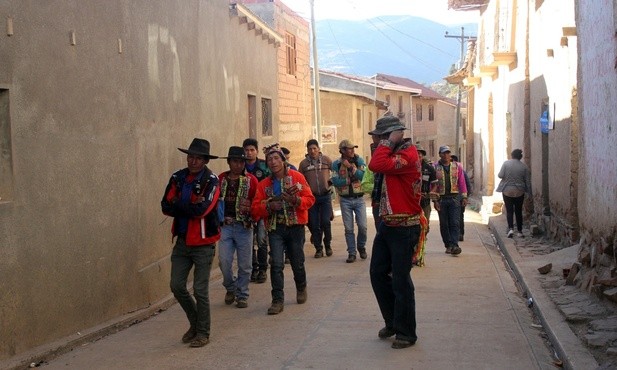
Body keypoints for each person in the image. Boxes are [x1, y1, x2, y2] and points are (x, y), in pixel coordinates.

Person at [160, 138, 221, 348]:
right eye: (190, 157)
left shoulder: (211, 181)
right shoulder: (178, 177)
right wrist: (185, 204)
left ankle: (203, 332)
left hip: (204, 243)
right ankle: (196, 323)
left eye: (198, 158)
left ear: (205, 160)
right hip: (182, 241)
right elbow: (164, 206)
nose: (193, 161)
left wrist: (179, 203)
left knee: (200, 290)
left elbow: (201, 210)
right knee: (176, 286)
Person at [368, 119, 423, 349]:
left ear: (394, 135)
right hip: (388, 225)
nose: (376, 141)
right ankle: (392, 321)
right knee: (377, 273)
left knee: (401, 281)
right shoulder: (394, 153)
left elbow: (376, 164)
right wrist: (388, 143)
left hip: (405, 227)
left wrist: (388, 142)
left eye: (381, 136)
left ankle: (406, 332)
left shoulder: (407, 155)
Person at [252, 144, 315, 315]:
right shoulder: (264, 184)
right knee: (276, 264)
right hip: (275, 228)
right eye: (269, 159)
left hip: (295, 227)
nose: (273, 162)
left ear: (283, 160)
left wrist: (296, 201)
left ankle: (301, 286)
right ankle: (277, 300)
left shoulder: (298, 177)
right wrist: (270, 206)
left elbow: (310, 199)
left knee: (297, 262)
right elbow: (256, 207)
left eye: (276, 158)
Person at [217, 146, 258, 309]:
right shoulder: (220, 179)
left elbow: (257, 201)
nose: (238, 165)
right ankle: (230, 287)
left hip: (244, 227)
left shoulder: (252, 181)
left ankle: (242, 294)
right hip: (225, 226)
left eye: (241, 162)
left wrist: (254, 215)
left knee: (245, 264)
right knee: (224, 262)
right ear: (229, 162)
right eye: (235, 161)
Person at [331, 139, 368, 263]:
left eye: (353, 148)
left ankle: (361, 246)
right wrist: (348, 181)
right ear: (342, 150)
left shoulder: (359, 160)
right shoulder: (336, 164)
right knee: (349, 228)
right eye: (349, 149)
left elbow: (363, 176)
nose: (352, 151)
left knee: (363, 226)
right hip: (345, 200)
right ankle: (351, 252)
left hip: (359, 198)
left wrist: (350, 167)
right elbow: (335, 181)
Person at [298, 139, 334, 258]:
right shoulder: (303, 164)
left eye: (314, 148)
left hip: (325, 196)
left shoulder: (326, 160)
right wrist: (300, 191)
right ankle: (318, 248)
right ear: (307, 150)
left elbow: (336, 172)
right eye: (310, 149)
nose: (312, 151)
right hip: (311, 198)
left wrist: (332, 182)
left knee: (325, 221)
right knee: (313, 224)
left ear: (318, 149)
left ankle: (327, 244)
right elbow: (300, 181)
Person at [242, 138, 270, 284]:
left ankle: (263, 269)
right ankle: (253, 269)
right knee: (248, 242)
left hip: (261, 209)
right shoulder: (240, 167)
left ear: (257, 151)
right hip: (245, 211)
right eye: (246, 150)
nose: (249, 153)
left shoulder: (264, 167)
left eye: (252, 150)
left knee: (261, 239)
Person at [433, 146, 468, 255]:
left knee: (454, 222)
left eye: (447, 153)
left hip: (454, 198)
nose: (446, 155)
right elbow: (432, 185)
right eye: (443, 153)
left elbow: (461, 182)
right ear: (440, 154)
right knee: (444, 223)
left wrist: (464, 197)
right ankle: (447, 244)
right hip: (441, 199)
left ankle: (454, 245)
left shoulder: (457, 167)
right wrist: (435, 200)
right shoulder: (435, 167)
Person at [496, 148, 532, 238]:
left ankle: (511, 228)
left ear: (512, 155)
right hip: (519, 191)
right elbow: (527, 181)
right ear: (520, 157)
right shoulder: (524, 167)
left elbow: (500, 175)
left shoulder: (506, 163)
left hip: (507, 190)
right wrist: (529, 193)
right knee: (518, 211)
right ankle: (520, 231)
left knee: (509, 210)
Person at [451, 154, 471, 241]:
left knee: (458, 217)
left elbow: (467, 185)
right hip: (454, 198)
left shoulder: (461, 171)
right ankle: (458, 234)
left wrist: (465, 197)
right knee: (458, 217)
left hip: (459, 198)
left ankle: (459, 233)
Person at [417, 145, 437, 230]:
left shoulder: (429, 168)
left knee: (425, 225)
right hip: (412, 201)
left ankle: (423, 241)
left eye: (419, 154)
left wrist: (431, 192)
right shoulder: (408, 168)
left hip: (425, 201)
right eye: (416, 154)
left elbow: (435, 184)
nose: (418, 156)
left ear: (422, 155)